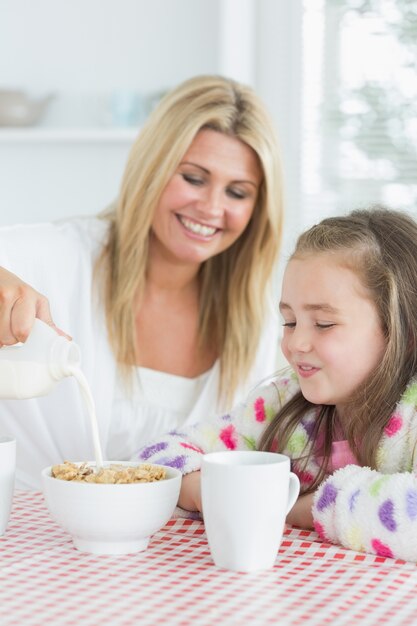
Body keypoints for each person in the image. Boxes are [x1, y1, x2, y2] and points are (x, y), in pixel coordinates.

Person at [0, 75, 284, 490]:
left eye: (238, 193)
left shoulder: (255, 318)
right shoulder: (57, 258)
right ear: (152, 167)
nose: (210, 208)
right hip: (29, 539)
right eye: (193, 178)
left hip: (169, 553)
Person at [135, 206, 417, 563]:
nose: (296, 343)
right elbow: (156, 459)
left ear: (403, 333)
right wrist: (213, 491)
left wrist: (306, 507)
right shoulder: (283, 400)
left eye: (324, 324)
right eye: (290, 321)